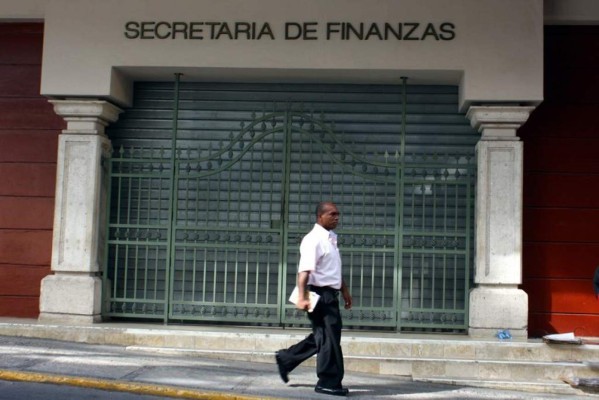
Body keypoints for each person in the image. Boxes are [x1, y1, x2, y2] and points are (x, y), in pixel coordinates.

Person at [275, 201, 352, 397]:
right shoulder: (313, 240)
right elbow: (304, 271)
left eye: (338, 214)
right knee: (329, 339)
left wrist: (344, 291)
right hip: (319, 296)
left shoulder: (330, 239)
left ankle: (286, 358)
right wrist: (302, 297)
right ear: (320, 216)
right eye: (332, 214)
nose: (337, 217)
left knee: (324, 336)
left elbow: (332, 271)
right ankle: (327, 382)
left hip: (330, 294)